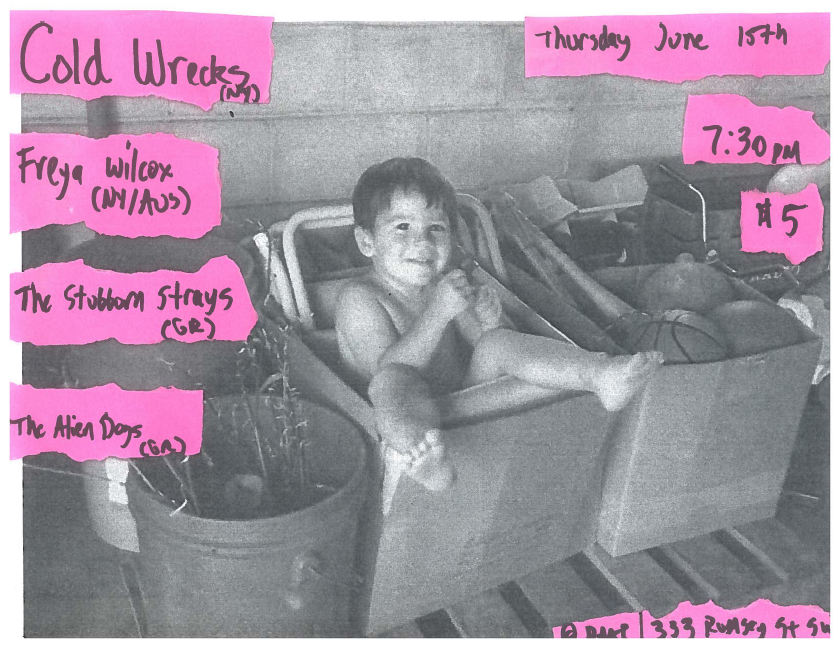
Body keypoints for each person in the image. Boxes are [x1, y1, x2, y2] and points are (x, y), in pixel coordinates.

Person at [335, 158, 663, 496]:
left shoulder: (444, 285)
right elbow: (387, 371)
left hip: (462, 404)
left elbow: (481, 344)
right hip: (412, 420)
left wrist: (488, 320)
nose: (423, 241)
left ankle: (598, 374)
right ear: (367, 242)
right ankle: (423, 462)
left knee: (498, 342)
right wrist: (438, 313)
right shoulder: (360, 298)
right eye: (402, 226)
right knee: (389, 384)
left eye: (436, 228)